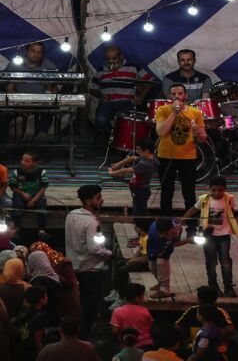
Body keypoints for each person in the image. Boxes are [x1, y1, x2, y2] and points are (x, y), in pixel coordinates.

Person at [180, 176, 238, 297]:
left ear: (225, 189)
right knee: (211, 262)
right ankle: (213, 286)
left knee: (226, 261)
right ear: (209, 189)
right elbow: (193, 209)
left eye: (220, 190)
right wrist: (184, 218)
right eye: (214, 190)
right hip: (209, 235)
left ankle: (228, 286)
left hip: (224, 235)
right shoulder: (204, 199)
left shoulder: (229, 199)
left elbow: (232, 212)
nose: (217, 193)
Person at [65, 185, 112, 338]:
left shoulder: (71, 215)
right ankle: (84, 336)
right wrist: (109, 253)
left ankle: (73, 333)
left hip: (74, 267)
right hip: (90, 270)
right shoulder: (92, 222)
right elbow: (95, 249)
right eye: (98, 198)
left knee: (75, 304)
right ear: (87, 201)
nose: (102, 200)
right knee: (90, 306)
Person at [155, 83, 206, 213]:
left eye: (180, 93)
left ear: (186, 95)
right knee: (167, 190)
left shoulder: (195, 112)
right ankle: (166, 224)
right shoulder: (162, 110)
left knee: (189, 191)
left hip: (188, 157)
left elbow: (202, 139)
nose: (177, 96)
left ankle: (191, 226)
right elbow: (161, 132)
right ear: (169, 96)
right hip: (166, 156)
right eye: (173, 94)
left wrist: (199, 132)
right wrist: (174, 113)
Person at [91, 46, 156, 140]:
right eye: (108, 59)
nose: (111, 61)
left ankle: (120, 141)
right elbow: (92, 89)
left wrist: (141, 96)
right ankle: (112, 138)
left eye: (114, 58)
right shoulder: (101, 70)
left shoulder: (133, 68)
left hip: (127, 102)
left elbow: (151, 81)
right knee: (100, 120)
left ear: (121, 57)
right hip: (108, 102)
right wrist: (101, 96)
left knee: (127, 122)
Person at [6, 42, 62, 138]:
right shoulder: (15, 64)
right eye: (33, 51)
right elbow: (7, 85)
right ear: (27, 51)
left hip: (41, 102)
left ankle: (39, 139)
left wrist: (52, 90)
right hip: (18, 100)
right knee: (1, 116)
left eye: (39, 52)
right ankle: (1, 145)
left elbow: (56, 86)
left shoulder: (48, 65)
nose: (36, 54)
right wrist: (14, 102)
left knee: (49, 112)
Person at [111, 142, 159, 218]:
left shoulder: (146, 164)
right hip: (138, 188)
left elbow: (126, 170)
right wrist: (118, 164)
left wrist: (113, 173)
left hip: (141, 190)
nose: (137, 152)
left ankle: (142, 224)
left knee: (140, 211)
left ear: (146, 151)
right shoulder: (146, 158)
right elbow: (133, 158)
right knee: (138, 207)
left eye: (139, 150)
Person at [9, 152, 49, 234]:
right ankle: (16, 228)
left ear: (35, 163)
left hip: (37, 196)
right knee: (17, 206)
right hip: (20, 195)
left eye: (26, 161)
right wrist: (22, 193)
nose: (23, 162)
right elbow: (13, 187)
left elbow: (43, 188)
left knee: (41, 206)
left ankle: (41, 230)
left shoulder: (42, 172)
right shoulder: (17, 172)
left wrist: (33, 200)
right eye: (22, 159)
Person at [111, 283, 153, 350]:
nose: (143, 297)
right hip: (146, 345)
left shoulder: (117, 311)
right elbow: (151, 327)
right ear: (137, 298)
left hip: (127, 345)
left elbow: (115, 331)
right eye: (142, 295)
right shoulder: (145, 311)